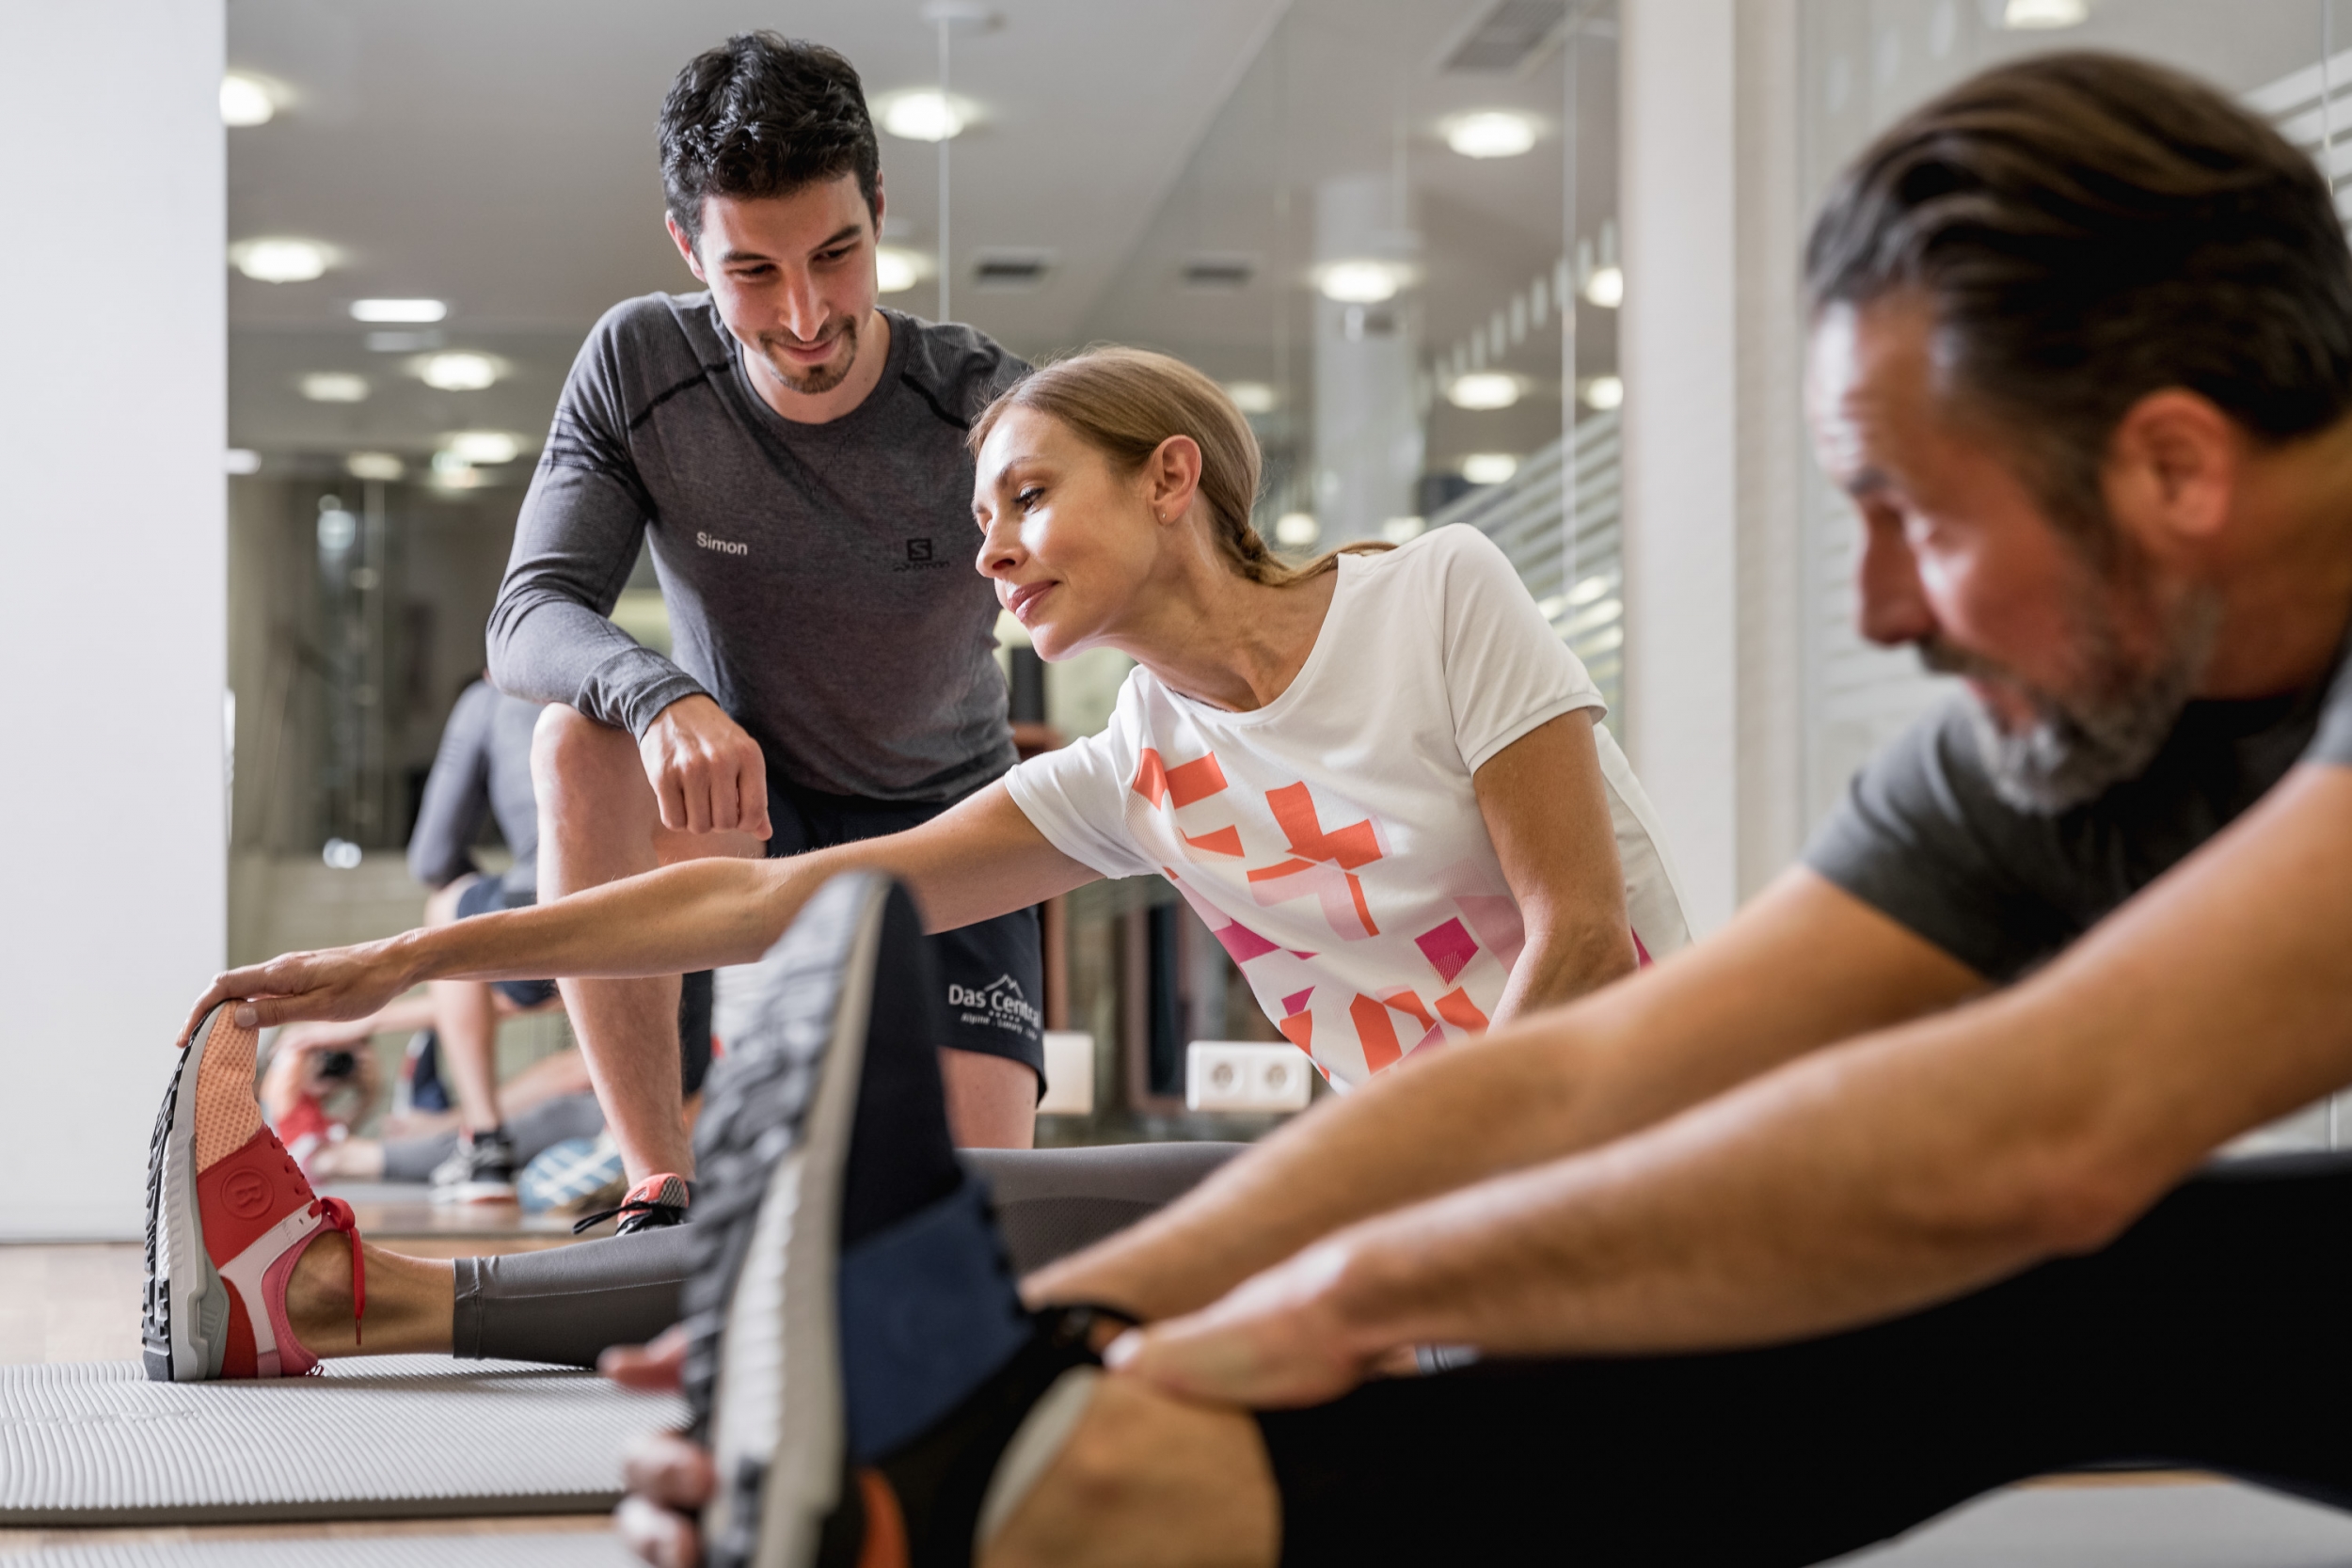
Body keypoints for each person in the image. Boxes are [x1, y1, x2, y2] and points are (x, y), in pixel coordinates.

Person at [555, 51, 2352, 1566]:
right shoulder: (2065, 728)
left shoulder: (1437, 603)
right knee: (2058, 1310)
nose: (1881, 609)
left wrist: (1331, 1294)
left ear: (2178, 465)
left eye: (1921, 517)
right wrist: (1034, 1356)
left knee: (2068, 1258)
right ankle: (1041, 1488)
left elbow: (2052, 1133)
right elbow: (1581, 1064)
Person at [150, 344, 1689, 1383]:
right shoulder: (1140, 767)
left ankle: (336, 1297)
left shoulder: (1435, 598)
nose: (993, 550)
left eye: (1028, 496)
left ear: (1169, 478)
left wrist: (1396, 1202)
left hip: (1628, 1164)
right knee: (891, 1199)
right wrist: (415, 960)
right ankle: (347, 1300)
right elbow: (760, 904)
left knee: (1035, 1227)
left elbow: (1577, 947)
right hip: (1393, 1204)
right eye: (978, 518)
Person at [488, 30, 1043, 1222]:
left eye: (837, 254)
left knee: (967, 1223)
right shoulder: (640, 363)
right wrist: (660, 693)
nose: (803, 314)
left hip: (941, 822)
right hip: (745, 802)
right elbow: (527, 613)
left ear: (881, 209)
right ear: (689, 246)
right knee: (576, 740)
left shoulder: (982, 404)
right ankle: (658, 1180)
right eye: (752, 272)